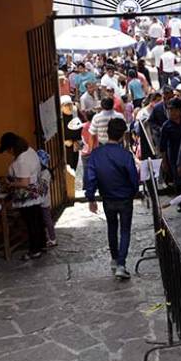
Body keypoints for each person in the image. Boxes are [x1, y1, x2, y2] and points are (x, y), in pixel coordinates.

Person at [84, 118, 138, 280]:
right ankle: (121, 263)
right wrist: (133, 192)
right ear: (122, 135)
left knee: (112, 227)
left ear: (107, 134)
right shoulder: (125, 155)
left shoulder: (96, 154)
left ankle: (115, 259)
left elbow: (90, 177)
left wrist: (91, 198)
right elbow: (133, 178)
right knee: (125, 230)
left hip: (108, 198)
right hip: (125, 198)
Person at [0, 133, 46, 260]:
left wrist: (10, 183)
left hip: (27, 196)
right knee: (37, 220)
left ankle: (34, 250)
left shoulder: (21, 161)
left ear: (12, 148)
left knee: (31, 223)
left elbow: (24, 183)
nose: (8, 153)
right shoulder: (29, 151)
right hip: (36, 192)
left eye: (7, 150)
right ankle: (41, 244)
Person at [160, 98, 181, 195]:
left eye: (174, 110)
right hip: (174, 157)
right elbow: (162, 147)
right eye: (169, 110)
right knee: (178, 180)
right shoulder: (166, 126)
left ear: (180, 110)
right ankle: (180, 202)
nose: (171, 112)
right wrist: (164, 162)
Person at [37, 150, 56, 248]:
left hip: (44, 202)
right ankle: (47, 238)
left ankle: (52, 239)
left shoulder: (45, 173)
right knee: (44, 220)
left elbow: (42, 188)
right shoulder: (41, 172)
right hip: (41, 201)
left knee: (47, 220)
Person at [61, 95, 82, 170]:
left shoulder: (75, 114)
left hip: (75, 148)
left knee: (74, 169)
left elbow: (82, 126)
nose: (69, 107)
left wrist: (78, 141)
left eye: (70, 104)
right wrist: (64, 142)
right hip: (64, 150)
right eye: (66, 105)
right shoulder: (59, 120)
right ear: (61, 107)